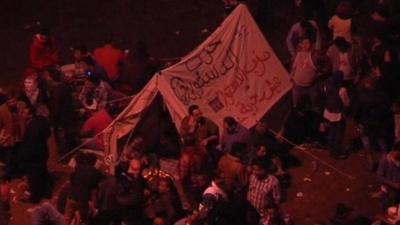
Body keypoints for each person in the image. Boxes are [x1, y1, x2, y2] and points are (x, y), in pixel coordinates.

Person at [18, 105, 51, 203]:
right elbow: (48, 134)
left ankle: (34, 198)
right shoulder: (43, 122)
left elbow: (31, 145)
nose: (22, 114)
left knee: (34, 177)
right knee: (42, 174)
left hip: (34, 156)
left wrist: (24, 156)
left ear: (30, 115)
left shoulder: (32, 126)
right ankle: (45, 192)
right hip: (43, 153)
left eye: (24, 113)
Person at [322, 71, 350, 159]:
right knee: (338, 133)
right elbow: (346, 102)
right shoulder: (342, 90)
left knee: (331, 132)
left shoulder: (326, 85)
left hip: (329, 111)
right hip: (337, 113)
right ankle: (336, 152)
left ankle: (331, 150)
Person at [247, 158, 280, 224]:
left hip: (264, 215)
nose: (254, 172)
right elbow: (249, 190)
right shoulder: (253, 177)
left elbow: (276, 200)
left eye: (257, 170)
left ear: (264, 170)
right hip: (251, 211)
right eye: (253, 169)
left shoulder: (273, 182)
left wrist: (270, 214)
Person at [117, 159, 146, 225]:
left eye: (139, 170)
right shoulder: (123, 177)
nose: (137, 172)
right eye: (135, 170)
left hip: (135, 210)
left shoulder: (139, 178)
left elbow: (141, 189)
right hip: (126, 209)